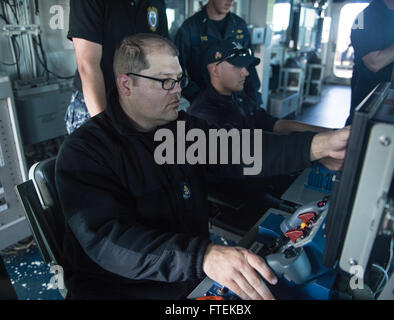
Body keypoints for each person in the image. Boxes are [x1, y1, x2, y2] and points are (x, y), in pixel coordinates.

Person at [55, 33, 350, 300]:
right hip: (125, 291)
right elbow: (111, 242)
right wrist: (203, 257)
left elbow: (241, 149)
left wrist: (317, 146)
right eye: (165, 82)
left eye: (180, 80)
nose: (178, 92)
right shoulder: (86, 151)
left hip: (188, 279)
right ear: (126, 83)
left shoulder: (179, 132)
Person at [188, 39, 332, 201]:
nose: (246, 72)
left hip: (260, 175)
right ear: (215, 70)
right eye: (238, 66)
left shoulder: (239, 97)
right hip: (235, 194)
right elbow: (245, 154)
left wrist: (330, 134)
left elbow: (277, 125)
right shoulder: (204, 113)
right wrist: (316, 147)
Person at [65, 0, 169, 134]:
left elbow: (162, 56)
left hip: (139, 107)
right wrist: (105, 128)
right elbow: (88, 65)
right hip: (97, 106)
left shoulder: (156, 2)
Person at [174, 0, 262, 105]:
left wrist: (253, 100)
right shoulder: (190, 29)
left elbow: (249, 66)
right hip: (205, 105)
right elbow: (176, 71)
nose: (230, 1)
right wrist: (198, 97)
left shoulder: (239, 26)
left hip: (237, 103)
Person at [347, 0, 394, 125]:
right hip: (369, 96)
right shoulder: (366, 17)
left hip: (387, 92)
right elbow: (374, 63)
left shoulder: (392, 18)